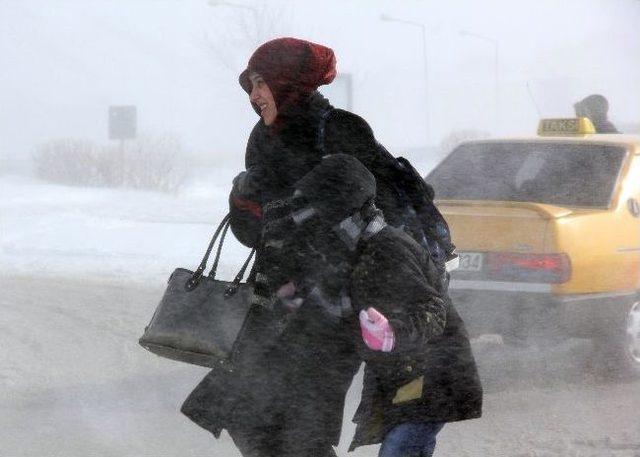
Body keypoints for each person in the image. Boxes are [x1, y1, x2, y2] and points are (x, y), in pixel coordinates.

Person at [181, 37, 382, 457]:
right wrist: (242, 199)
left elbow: (372, 218)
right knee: (242, 410)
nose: (254, 96)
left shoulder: (341, 129)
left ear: (288, 82)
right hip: (274, 300)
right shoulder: (262, 138)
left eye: (260, 83)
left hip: (331, 306)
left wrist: (302, 213)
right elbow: (256, 234)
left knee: (300, 430)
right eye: (250, 86)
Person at [261, 154, 483, 457]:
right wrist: (297, 292)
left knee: (398, 450)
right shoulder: (349, 248)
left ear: (340, 206)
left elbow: (434, 310)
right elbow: (338, 293)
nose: (312, 216)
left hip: (433, 373)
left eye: (318, 205)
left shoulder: (389, 248)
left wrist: (393, 333)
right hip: (402, 376)